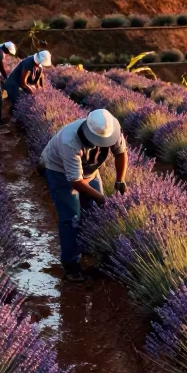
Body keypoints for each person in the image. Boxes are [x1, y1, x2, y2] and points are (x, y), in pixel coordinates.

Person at [39, 108, 128, 282]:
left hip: (90, 171)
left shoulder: (112, 128)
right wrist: (102, 198)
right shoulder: (69, 141)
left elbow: (121, 153)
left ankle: (89, 249)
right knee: (71, 217)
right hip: (60, 170)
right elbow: (76, 182)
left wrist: (120, 180)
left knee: (95, 212)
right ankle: (72, 266)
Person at [3, 49, 51, 115]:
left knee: (29, 96)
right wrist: (31, 90)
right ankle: (11, 116)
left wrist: (40, 89)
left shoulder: (39, 67)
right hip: (14, 83)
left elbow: (37, 81)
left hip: (22, 84)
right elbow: (23, 83)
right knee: (18, 101)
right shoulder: (28, 63)